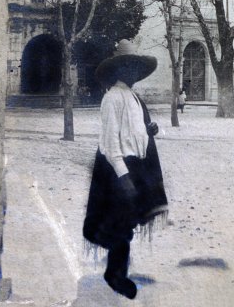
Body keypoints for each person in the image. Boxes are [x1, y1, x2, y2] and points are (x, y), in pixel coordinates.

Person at [83, 40, 168, 300]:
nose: (132, 72)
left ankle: (118, 268)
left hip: (135, 165)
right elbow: (110, 143)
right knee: (119, 223)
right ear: (119, 71)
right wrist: (124, 177)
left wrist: (151, 130)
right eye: (128, 67)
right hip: (116, 168)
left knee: (126, 222)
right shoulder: (112, 98)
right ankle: (115, 275)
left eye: (135, 68)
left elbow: (136, 131)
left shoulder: (134, 98)